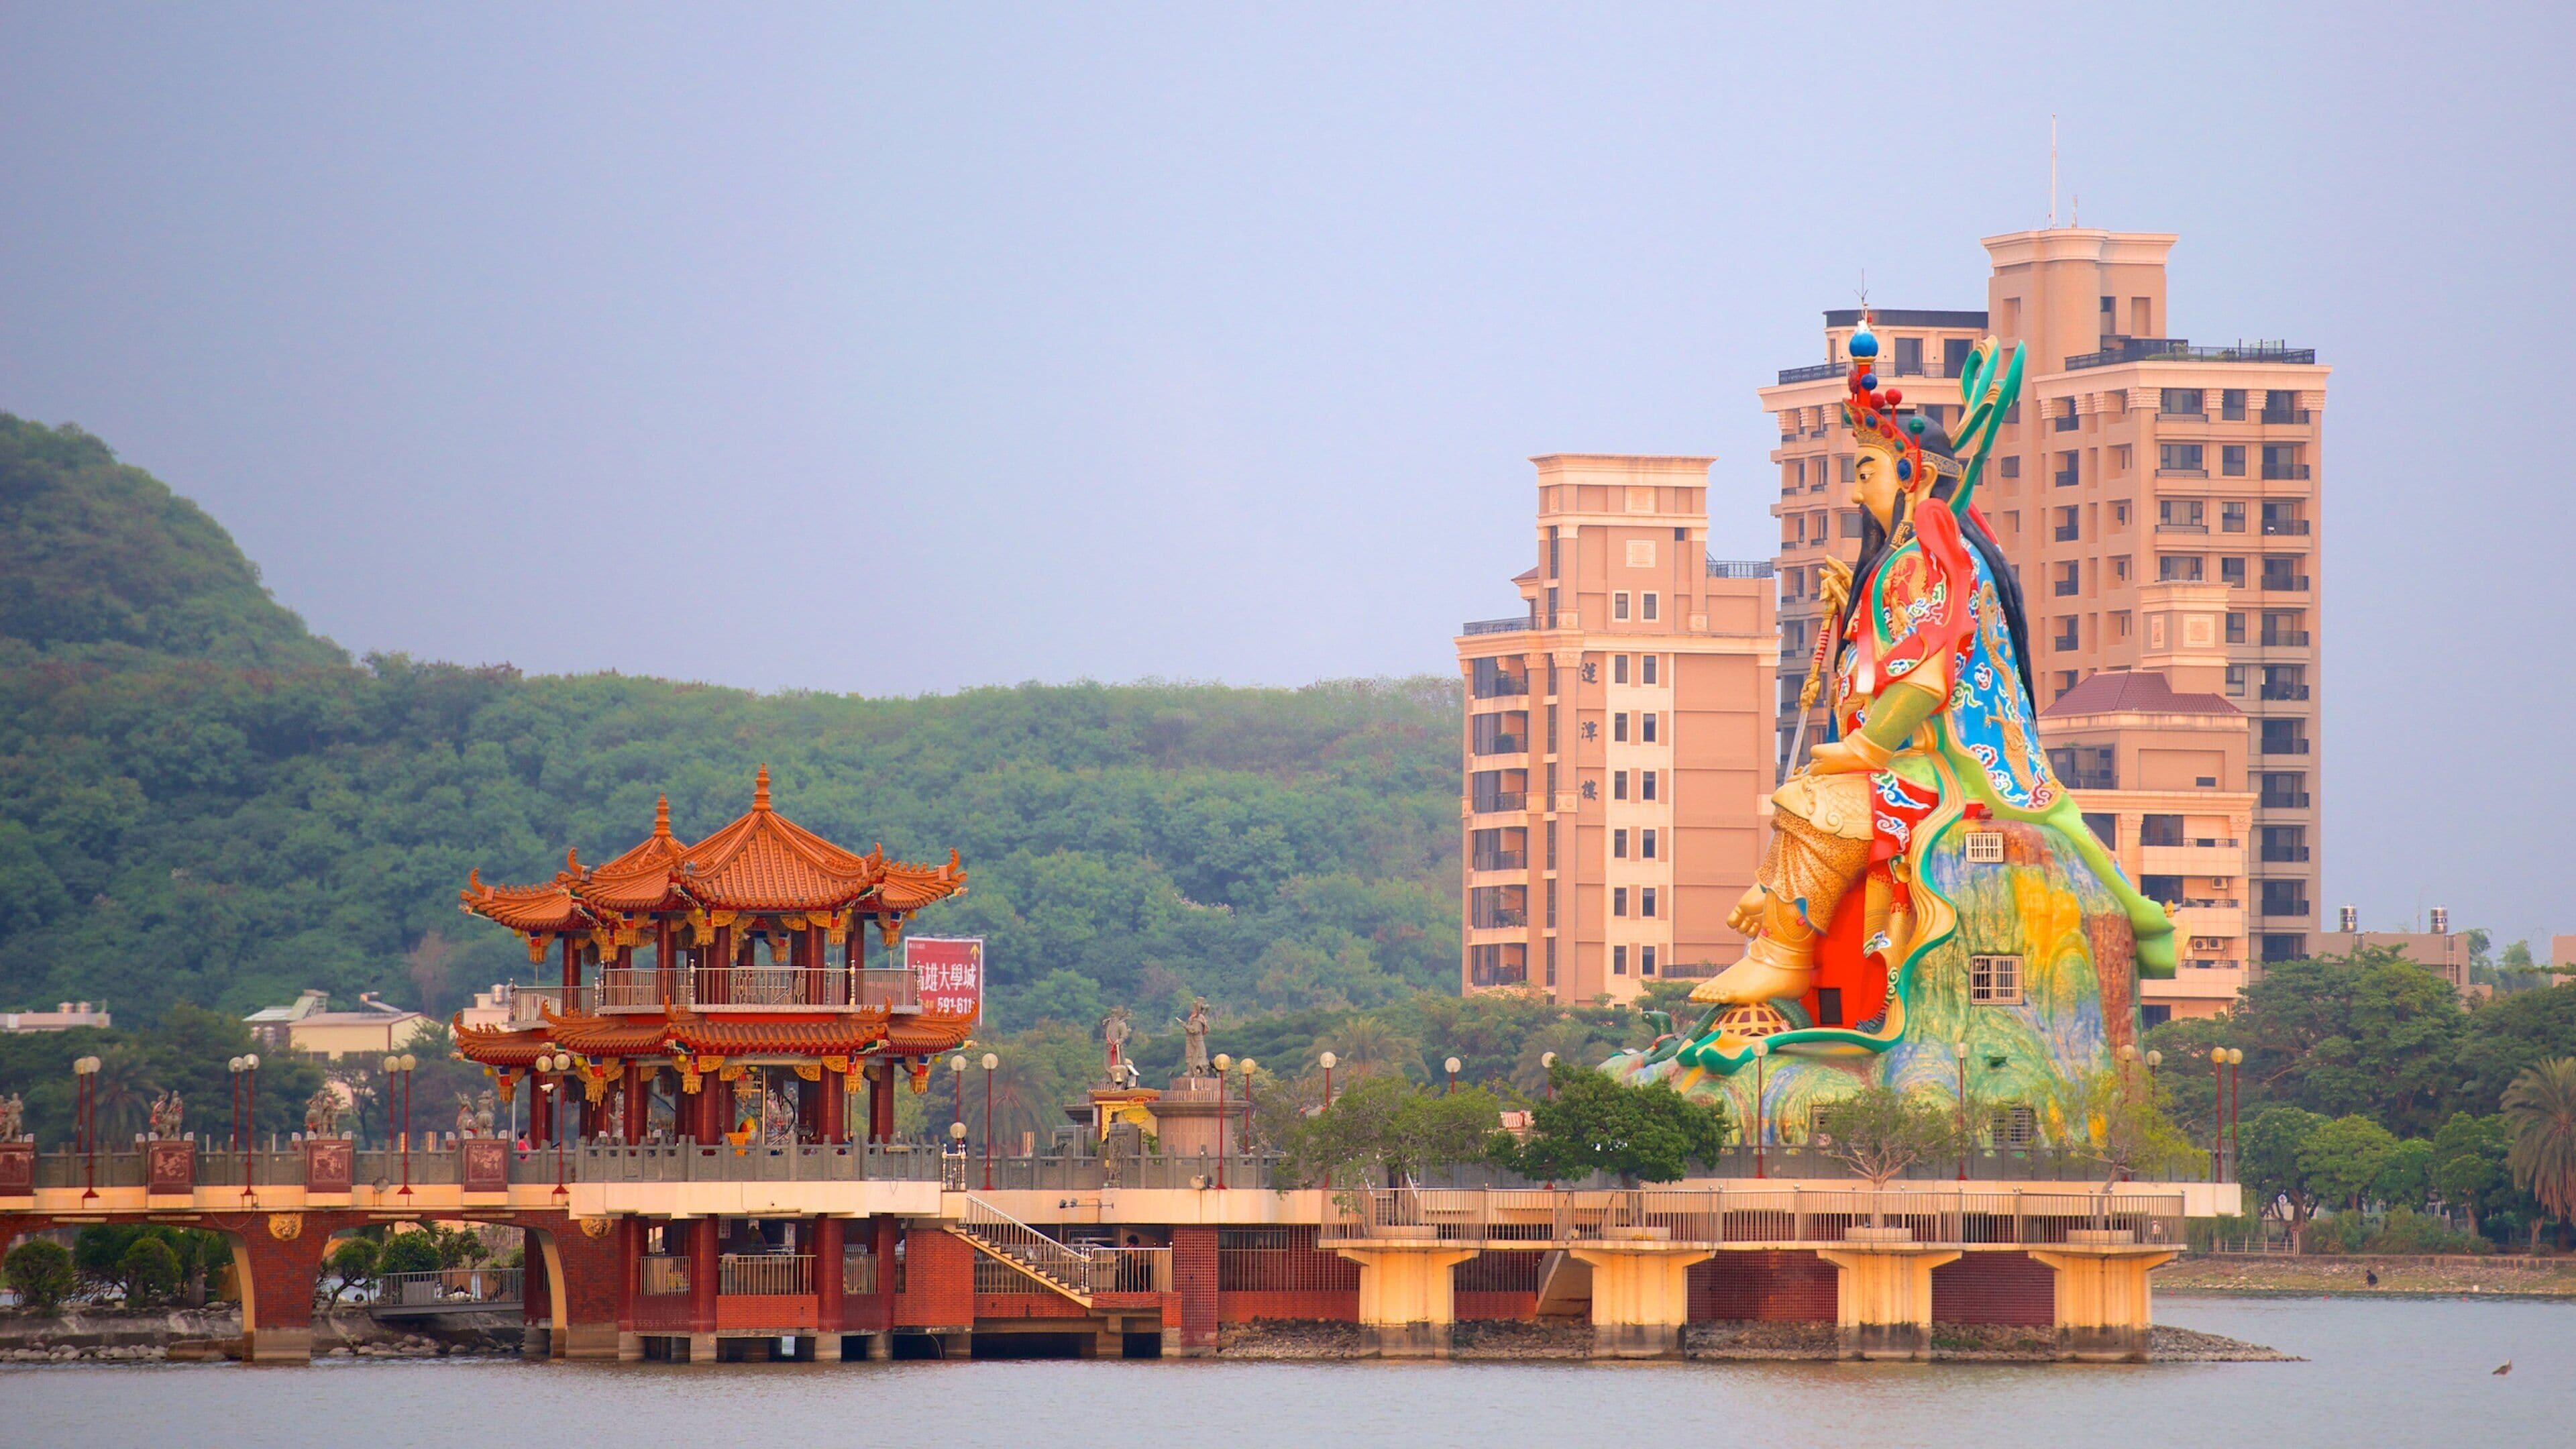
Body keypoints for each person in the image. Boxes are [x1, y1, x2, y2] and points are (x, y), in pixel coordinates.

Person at [1693, 317, 2172, 1020]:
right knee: (1808, 796)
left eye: (1866, 472)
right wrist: (1852, 609)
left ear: (1911, 473)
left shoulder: (1934, 559)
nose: (1856, 495)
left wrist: (1863, 747)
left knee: (1818, 805)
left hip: (1946, 769)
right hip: (1902, 757)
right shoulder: (1901, 561)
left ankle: (1781, 958)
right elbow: (1874, 675)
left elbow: (1925, 681)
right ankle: (1778, 909)